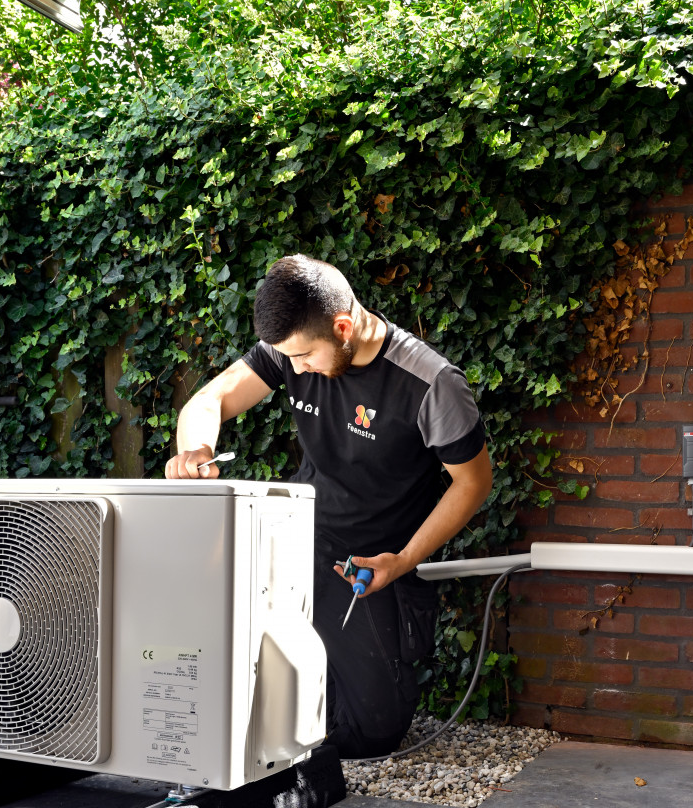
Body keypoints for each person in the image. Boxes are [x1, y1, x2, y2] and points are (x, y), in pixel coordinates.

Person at [166, 254, 494, 758]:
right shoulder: (290, 349)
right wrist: (196, 452)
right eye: (288, 358)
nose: (294, 369)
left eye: (303, 357)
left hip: (372, 565)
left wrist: (405, 559)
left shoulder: (431, 384)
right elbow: (208, 402)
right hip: (297, 540)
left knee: (371, 734)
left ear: (343, 327)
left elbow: (472, 484)